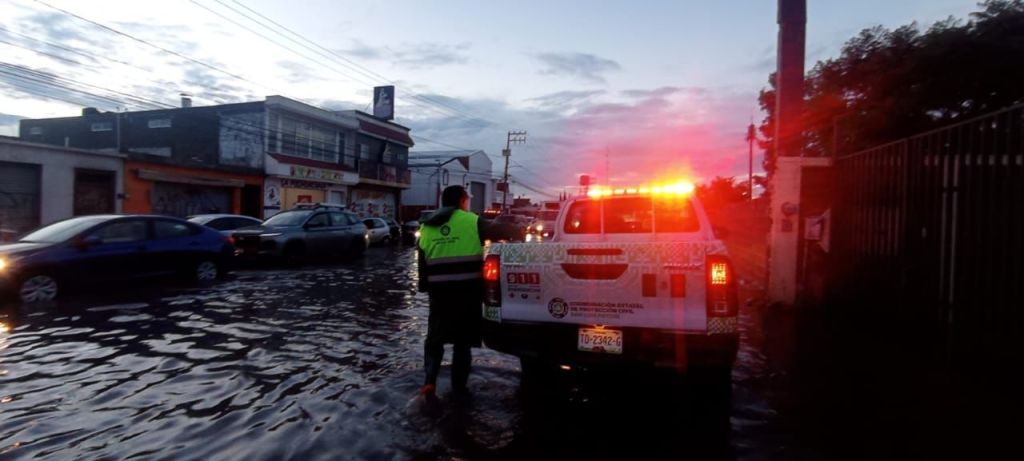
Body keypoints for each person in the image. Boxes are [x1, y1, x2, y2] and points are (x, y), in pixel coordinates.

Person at [417, 185, 496, 398]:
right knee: (462, 344)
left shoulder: (427, 227)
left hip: (439, 296)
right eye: (466, 200)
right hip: (467, 294)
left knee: (435, 339)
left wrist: (426, 287)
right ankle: (459, 389)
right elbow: (501, 231)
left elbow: (422, 269)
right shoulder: (472, 221)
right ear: (462, 200)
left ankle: (429, 383)